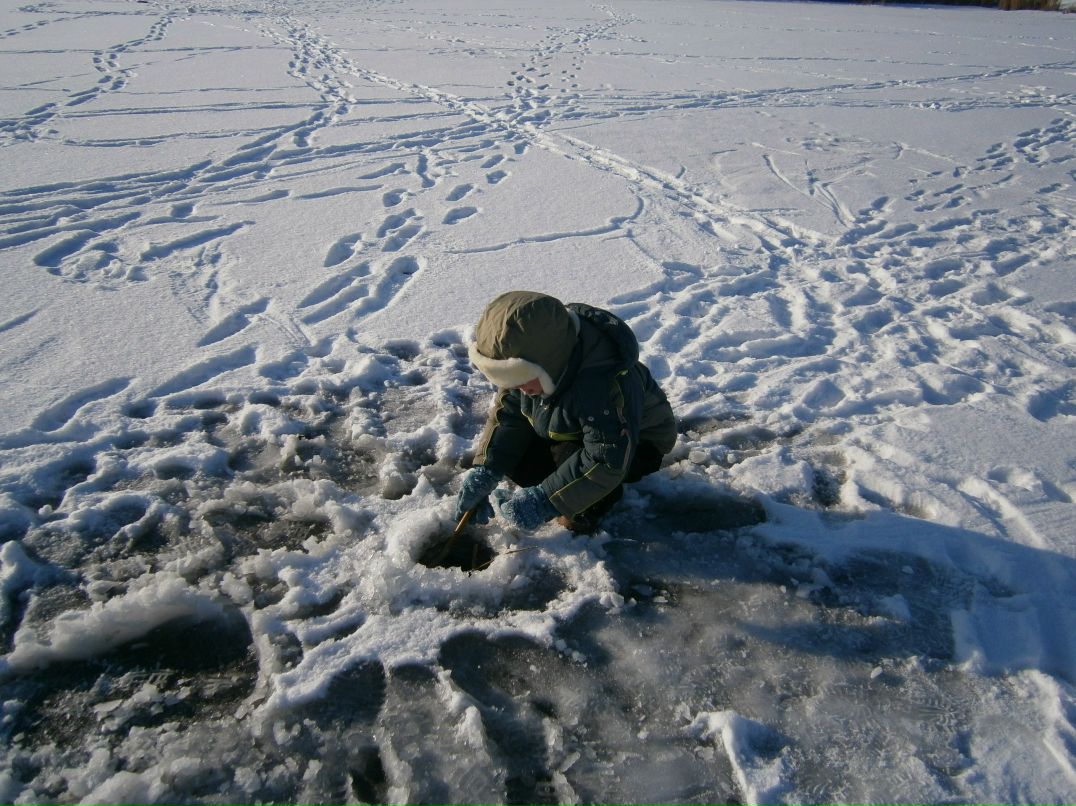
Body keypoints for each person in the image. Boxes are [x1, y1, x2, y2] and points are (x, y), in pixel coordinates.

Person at [454, 290, 677, 533]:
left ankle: (590, 508)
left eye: (521, 379)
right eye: (509, 381)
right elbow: (508, 416)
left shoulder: (603, 382)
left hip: (634, 445)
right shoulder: (533, 372)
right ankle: (570, 492)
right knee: (519, 461)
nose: (518, 389)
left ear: (549, 363)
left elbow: (607, 457)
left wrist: (545, 501)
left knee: (567, 463)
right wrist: (486, 470)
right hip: (573, 428)